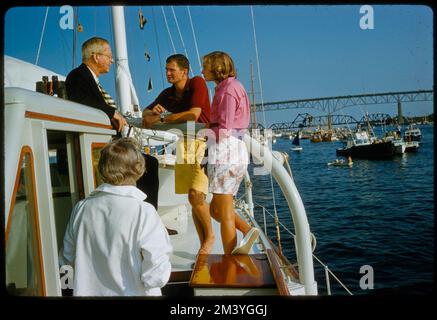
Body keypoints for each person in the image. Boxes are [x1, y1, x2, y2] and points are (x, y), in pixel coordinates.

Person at [65, 37, 164, 227]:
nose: (111, 60)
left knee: (148, 163)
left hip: (109, 143)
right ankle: (149, 222)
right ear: (96, 56)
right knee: (149, 164)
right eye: (109, 56)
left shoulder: (89, 78)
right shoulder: (77, 76)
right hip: (100, 145)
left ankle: (146, 218)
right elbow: (81, 100)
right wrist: (113, 113)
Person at [59, 137, 172, 296]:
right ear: (138, 169)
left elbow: (66, 261)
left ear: (102, 168)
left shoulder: (81, 208)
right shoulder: (143, 212)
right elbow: (156, 275)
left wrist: (67, 291)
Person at [142, 54, 215, 254]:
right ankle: (204, 244)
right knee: (192, 199)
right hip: (184, 144)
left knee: (196, 195)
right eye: (166, 69)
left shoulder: (197, 83)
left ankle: (210, 237)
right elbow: (145, 116)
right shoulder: (168, 94)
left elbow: (194, 113)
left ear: (184, 71)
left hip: (203, 142)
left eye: (171, 69)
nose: (167, 73)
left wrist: (164, 118)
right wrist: (153, 114)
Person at [202, 51, 259, 255]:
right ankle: (248, 230)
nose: (202, 70)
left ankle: (230, 258)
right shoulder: (234, 87)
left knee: (224, 213)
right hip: (234, 149)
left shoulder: (226, 91)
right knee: (215, 210)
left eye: (205, 66)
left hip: (226, 152)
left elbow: (225, 129)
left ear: (216, 68)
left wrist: (203, 132)